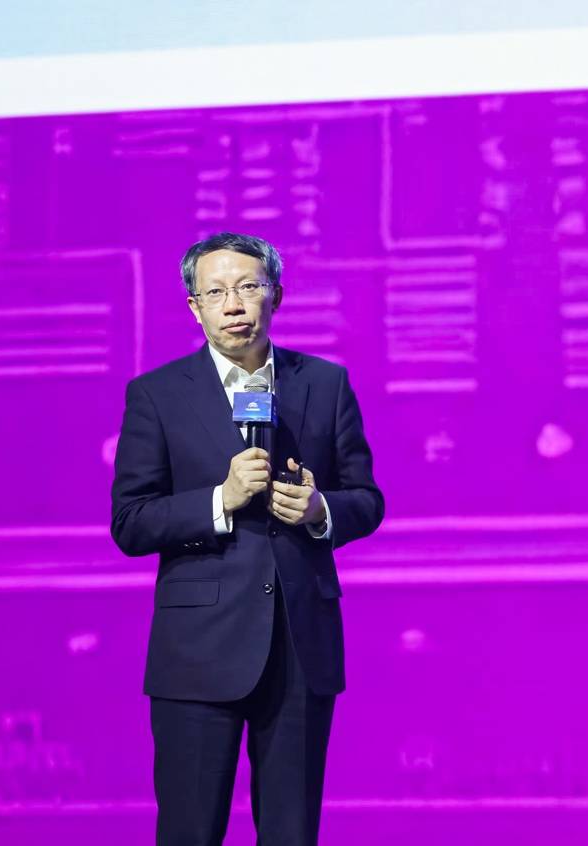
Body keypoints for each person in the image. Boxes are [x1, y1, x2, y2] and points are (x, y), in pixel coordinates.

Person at [110, 232, 383, 845]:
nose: (233, 304)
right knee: (189, 832)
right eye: (215, 292)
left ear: (276, 296)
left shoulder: (325, 384)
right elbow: (131, 521)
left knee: (291, 833)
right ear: (194, 307)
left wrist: (320, 510)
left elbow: (366, 500)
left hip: (300, 646)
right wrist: (220, 500)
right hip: (197, 650)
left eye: (247, 287)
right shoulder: (157, 395)